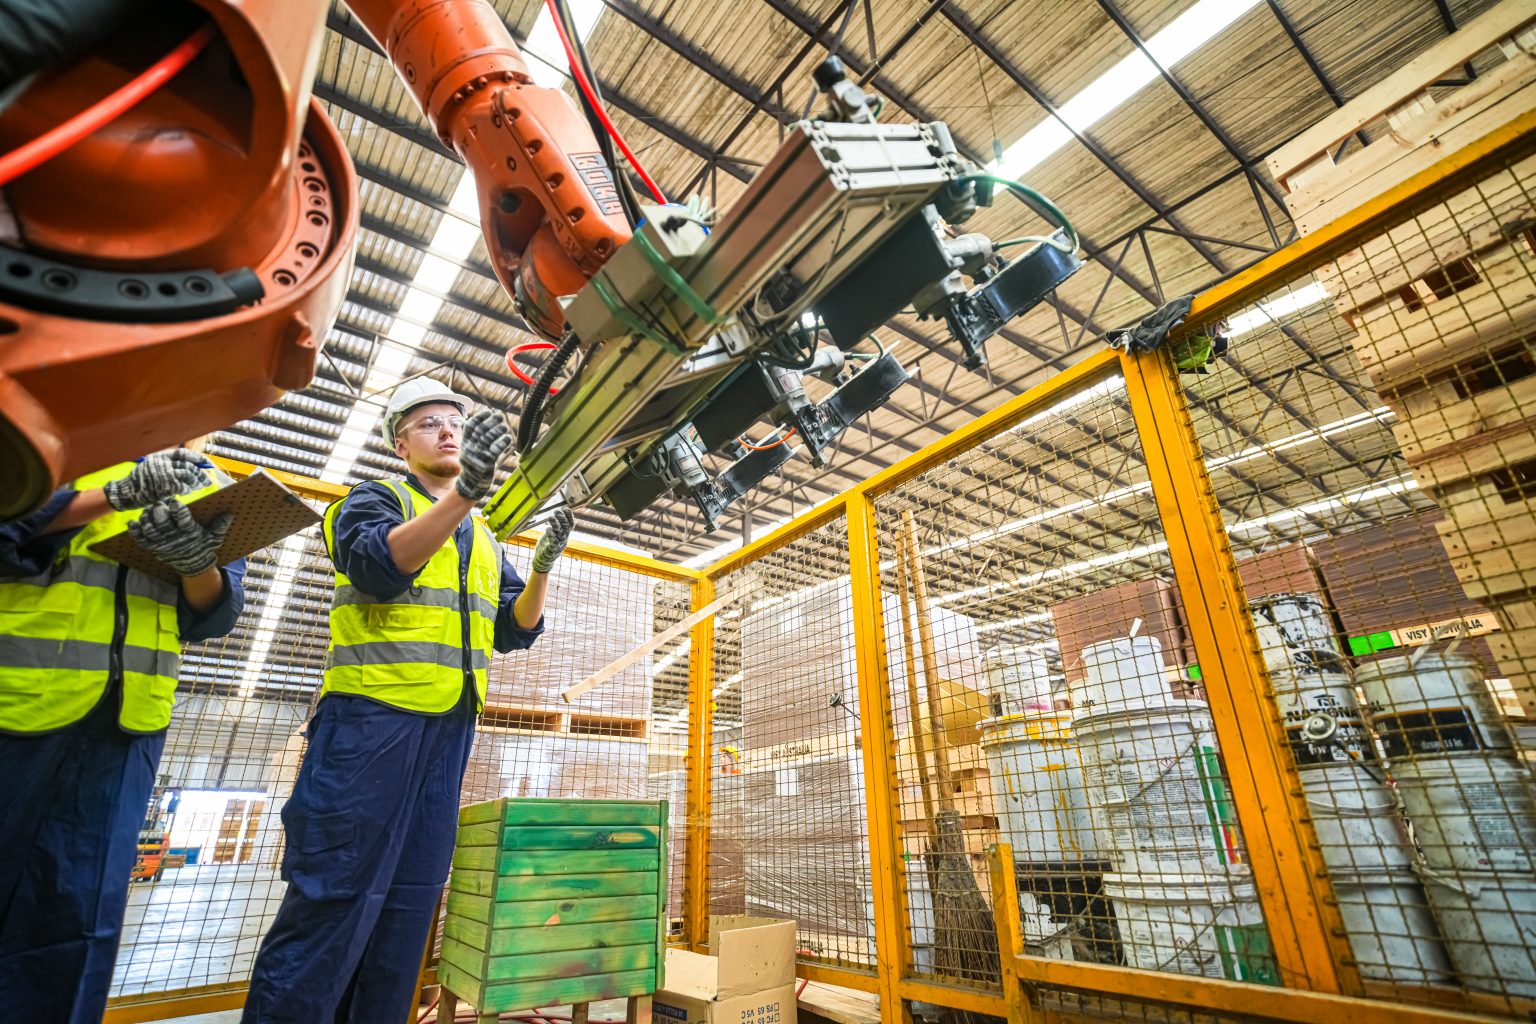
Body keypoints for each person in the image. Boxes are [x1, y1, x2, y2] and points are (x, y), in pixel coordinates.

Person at [243, 378, 574, 1022]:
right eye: (428, 424)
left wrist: (540, 569)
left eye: (454, 421)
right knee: (334, 899)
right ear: (401, 444)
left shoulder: (482, 536)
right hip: (370, 726)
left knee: (408, 907)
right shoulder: (369, 501)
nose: (447, 430)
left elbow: (514, 630)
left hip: (448, 733)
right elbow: (376, 567)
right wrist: (469, 495)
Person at [0, 446, 247, 1021]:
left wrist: (194, 564)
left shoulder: (209, 480)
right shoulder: (46, 444)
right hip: (17, 702)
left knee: (81, 914)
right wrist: (111, 497)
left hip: (127, 721)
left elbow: (214, 613)